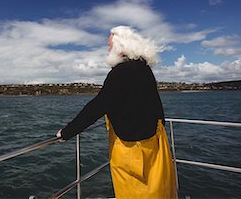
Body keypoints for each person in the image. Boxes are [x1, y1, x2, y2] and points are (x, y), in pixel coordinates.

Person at [56, 26, 177, 199]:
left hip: (132, 151)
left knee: (134, 192)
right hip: (155, 143)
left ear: (121, 46)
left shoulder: (120, 73)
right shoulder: (144, 68)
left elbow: (97, 106)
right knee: (157, 190)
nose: (108, 48)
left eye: (110, 45)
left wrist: (67, 132)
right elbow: (156, 105)